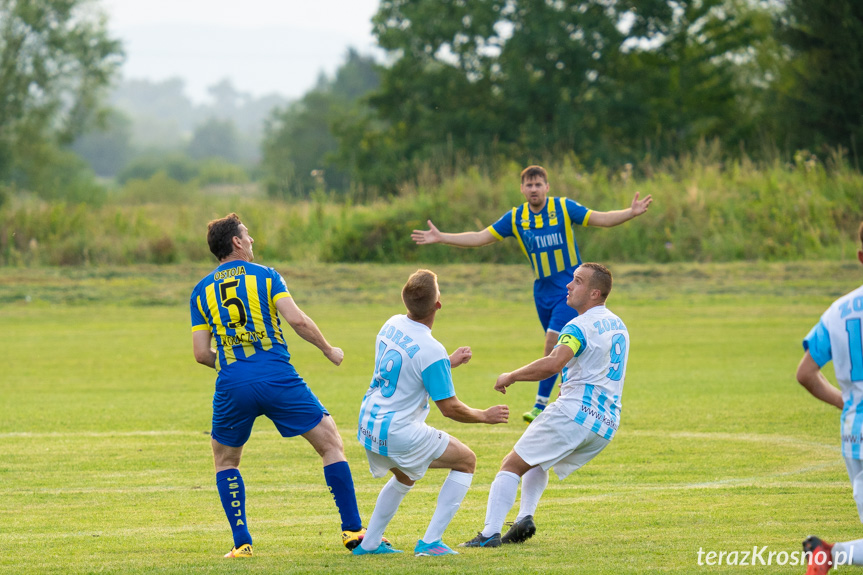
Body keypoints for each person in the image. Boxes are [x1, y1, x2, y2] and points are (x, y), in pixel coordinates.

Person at [189, 213, 368, 557]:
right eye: (248, 235)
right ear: (237, 243)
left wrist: (231, 363)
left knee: (226, 461)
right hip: (277, 376)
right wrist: (329, 350)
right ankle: (353, 531)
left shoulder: (200, 292)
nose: (252, 239)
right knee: (330, 443)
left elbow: (200, 354)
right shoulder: (267, 276)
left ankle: (241, 543)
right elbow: (297, 320)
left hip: (231, 384)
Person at [412, 165, 649, 423]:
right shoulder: (516, 217)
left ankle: (540, 404)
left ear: (547, 187)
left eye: (538, 184)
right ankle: (569, 393)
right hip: (542, 291)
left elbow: (600, 219)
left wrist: (630, 213)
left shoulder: (563, 208)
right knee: (563, 346)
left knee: (553, 340)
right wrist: (441, 237)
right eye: (529, 184)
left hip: (570, 286)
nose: (534, 189)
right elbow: (480, 237)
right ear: (522, 189)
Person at [459, 262, 629, 548]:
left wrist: (511, 376)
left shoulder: (578, 325)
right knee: (537, 459)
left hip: (575, 413)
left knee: (511, 465)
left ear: (594, 293)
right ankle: (525, 517)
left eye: (577, 281)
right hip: (605, 424)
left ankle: (489, 534)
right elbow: (596, 365)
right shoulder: (619, 324)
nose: (568, 285)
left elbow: (553, 363)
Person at [353, 269, 510, 556]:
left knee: (404, 476)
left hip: (369, 424)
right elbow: (449, 408)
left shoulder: (391, 324)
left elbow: (407, 368)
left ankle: (370, 544)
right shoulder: (431, 350)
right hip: (399, 431)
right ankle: (431, 542)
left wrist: (447, 363)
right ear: (438, 304)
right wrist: (484, 415)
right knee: (466, 461)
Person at [796, 222, 863, 575]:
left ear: (860, 257)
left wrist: (846, 402)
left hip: (854, 436)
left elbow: (805, 373)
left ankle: (827, 554)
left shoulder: (838, 311)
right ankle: (829, 554)